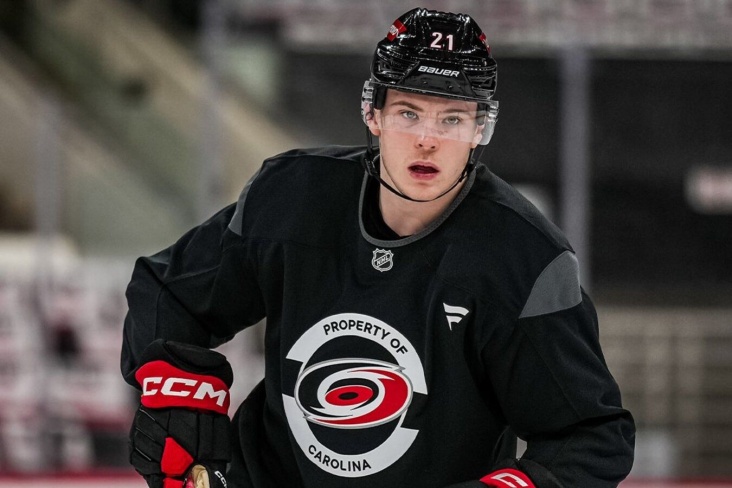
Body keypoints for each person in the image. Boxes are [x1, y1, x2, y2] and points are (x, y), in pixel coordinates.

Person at [121, 8, 635, 488]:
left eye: (452, 119)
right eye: (409, 113)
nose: (428, 139)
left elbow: (591, 435)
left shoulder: (524, 259)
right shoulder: (292, 197)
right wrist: (176, 392)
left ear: (481, 128)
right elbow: (170, 291)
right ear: (373, 113)